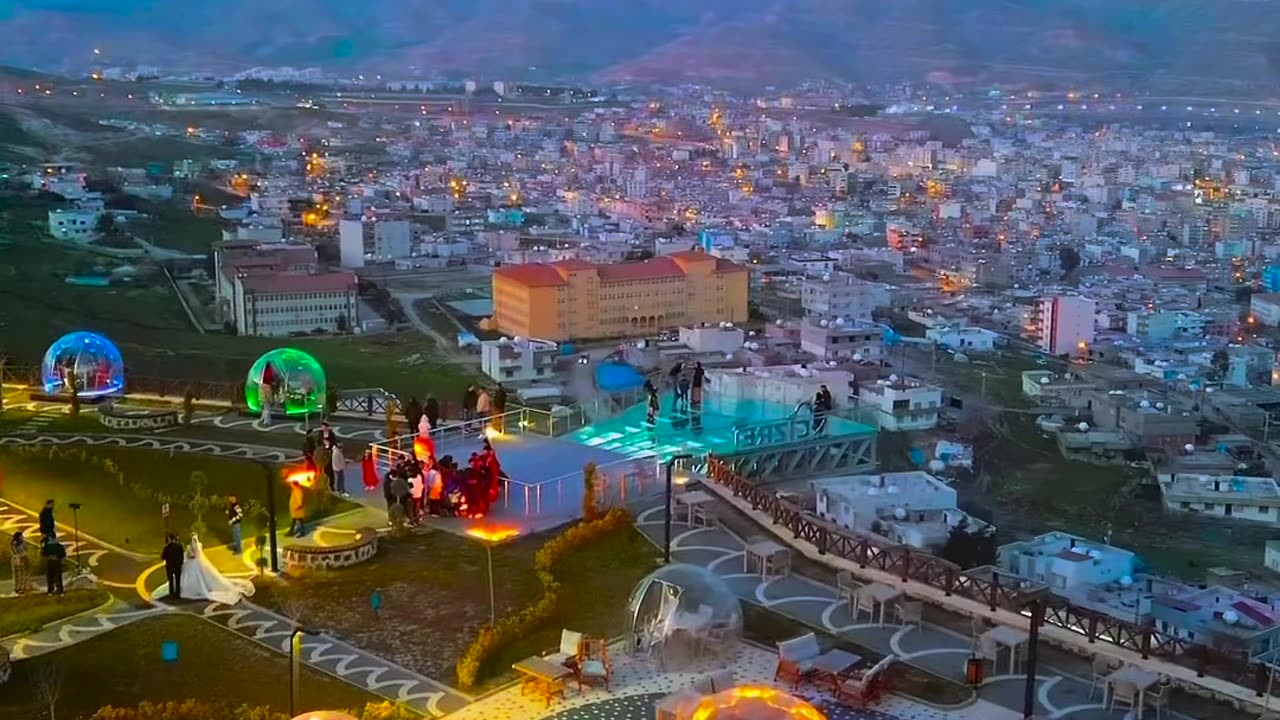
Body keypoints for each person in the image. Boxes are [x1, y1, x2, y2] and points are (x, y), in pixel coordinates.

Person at [179, 533, 255, 605]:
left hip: (195, 563)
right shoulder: (196, 546)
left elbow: (193, 554)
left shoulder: (194, 547)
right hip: (196, 563)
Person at [161, 533, 184, 599]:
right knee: (177, 580)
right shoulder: (179, 546)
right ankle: (177, 594)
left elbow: (163, 557)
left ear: (169, 539)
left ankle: (171, 594)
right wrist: (180, 564)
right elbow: (181, 556)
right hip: (178, 566)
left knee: (170, 580)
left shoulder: (167, 547)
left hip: (169, 566)